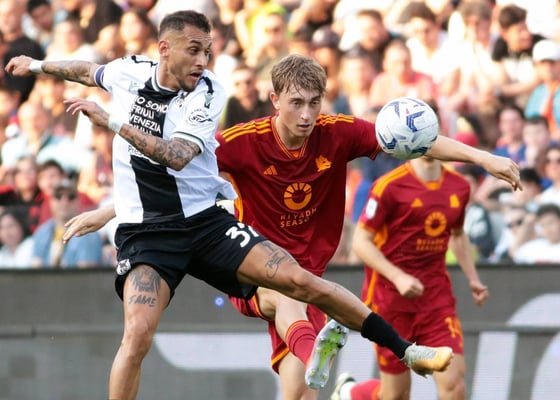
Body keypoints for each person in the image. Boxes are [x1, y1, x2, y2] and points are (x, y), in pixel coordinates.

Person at [7, 11, 468, 399]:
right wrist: (39, 65)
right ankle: (324, 363)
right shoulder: (129, 72)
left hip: (205, 223)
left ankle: (404, 351)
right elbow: (88, 71)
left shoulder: (207, 93)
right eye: (194, 50)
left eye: (208, 51)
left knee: (298, 282)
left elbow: (176, 156)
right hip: (147, 231)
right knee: (138, 334)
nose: (203, 61)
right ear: (164, 48)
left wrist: (111, 123)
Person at [332, 155, 490, 400]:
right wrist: (397, 276)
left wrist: (473, 278)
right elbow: (361, 242)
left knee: (454, 386)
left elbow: (457, 235)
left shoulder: (459, 186)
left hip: (436, 301)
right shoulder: (388, 186)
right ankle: (350, 393)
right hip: (389, 301)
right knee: (396, 395)